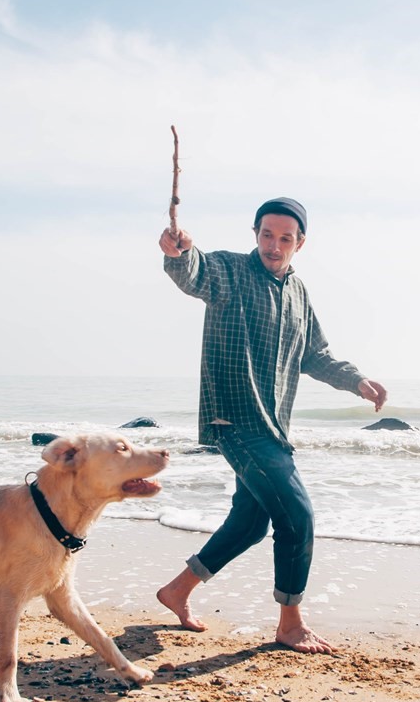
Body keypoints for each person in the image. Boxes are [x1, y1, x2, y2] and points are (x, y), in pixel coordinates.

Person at [156, 197, 388, 654]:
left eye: (285, 238)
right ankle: (290, 623)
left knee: (251, 522)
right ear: (255, 234)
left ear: (300, 243)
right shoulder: (229, 272)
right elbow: (193, 272)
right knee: (297, 516)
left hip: (273, 426)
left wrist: (356, 381)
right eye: (266, 235)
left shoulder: (299, 294)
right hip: (233, 419)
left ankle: (178, 590)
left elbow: (315, 355)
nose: (273, 245)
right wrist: (176, 252)